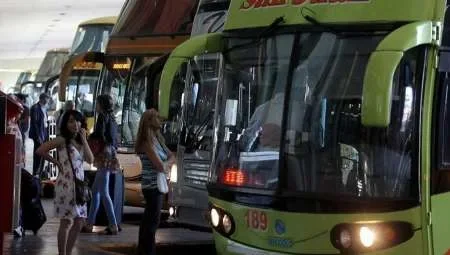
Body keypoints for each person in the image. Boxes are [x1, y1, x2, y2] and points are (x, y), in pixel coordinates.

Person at [36, 110, 94, 255]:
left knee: (80, 221)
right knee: (67, 221)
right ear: (65, 124)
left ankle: (67, 253)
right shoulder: (62, 140)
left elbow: (91, 159)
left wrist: (85, 139)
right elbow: (41, 150)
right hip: (66, 185)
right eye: (71, 121)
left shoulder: (81, 141)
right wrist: (56, 162)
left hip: (79, 186)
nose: (75, 124)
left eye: (78, 120)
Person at [135, 109, 175, 255]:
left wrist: (166, 165)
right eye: (157, 117)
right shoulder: (146, 143)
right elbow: (159, 165)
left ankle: (143, 250)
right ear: (149, 121)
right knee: (152, 223)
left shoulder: (158, 140)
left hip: (157, 184)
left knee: (149, 221)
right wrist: (165, 165)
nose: (160, 120)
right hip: (151, 186)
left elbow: (172, 157)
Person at [83, 95, 120, 235]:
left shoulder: (102, 117)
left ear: (101, 104)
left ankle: (113, 224)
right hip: (110, 154)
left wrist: (88, 137)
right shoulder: (112, 118)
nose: (95, 105)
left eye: (97, 103)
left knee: (103, 192)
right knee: (96, 190)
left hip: (104, 155)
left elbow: (99, 135)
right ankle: (89, 223)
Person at [29, 93, 50, 176]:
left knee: (43, 152)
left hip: (44, 132)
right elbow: (35, 124)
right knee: (38, 153)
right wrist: (38, 136)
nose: (48, 101)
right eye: (47, 99)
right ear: (42, 99)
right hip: (39, 133)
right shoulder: (35, 108)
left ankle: (40, 172)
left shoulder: (44, 108)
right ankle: (36, 172)